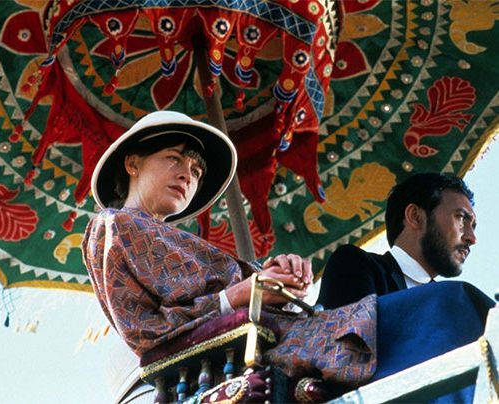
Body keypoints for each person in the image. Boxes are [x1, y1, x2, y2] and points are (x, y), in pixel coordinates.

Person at [82, 111, 377, 397]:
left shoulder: (172, 239)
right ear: (133, 163)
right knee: (365, 293)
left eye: (196, 171)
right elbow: (148, 332)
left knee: (366, 288)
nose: (186, 176)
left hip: (278, 337)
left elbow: (237, 287)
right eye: (173, 158)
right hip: (229, 361)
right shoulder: (114, 224)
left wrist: (279, 275)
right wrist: (245, 292)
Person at [317, 172, 478, 310]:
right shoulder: (355, 265)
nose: (472, 238)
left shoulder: (453, 307)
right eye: (461, 218)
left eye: (473, 226)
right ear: (415, 217)